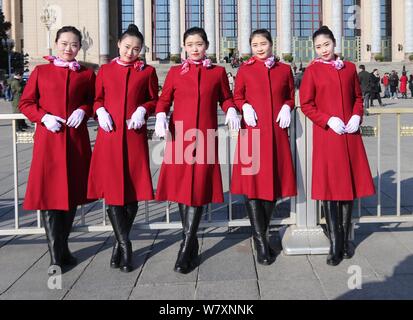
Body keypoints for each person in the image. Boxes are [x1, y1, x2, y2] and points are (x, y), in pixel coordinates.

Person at [154, 27, 240, 274]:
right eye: (190, 44)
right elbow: (164, 100)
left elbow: (225, 98)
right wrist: (160, 115)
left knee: (199, 188)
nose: (195, 48)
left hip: (204, 137)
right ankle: (189, 243)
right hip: (180, 137)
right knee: (183, 189)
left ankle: (186, 246)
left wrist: (231, 108)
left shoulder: (218, 73)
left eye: (199, 44)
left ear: (207, 45)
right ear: (184, 46)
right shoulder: (174, 73)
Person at [18, 26, 96, 273]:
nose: (68, 49)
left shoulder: (86, 74)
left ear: (79, 46)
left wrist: (83, 109)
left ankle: (62, 249)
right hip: (49, 141)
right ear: (55, 43)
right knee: (50, 196)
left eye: (73, 44)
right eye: (64, 43)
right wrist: (42, 117)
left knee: (71, 194)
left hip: (75, 141)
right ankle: (56, 254)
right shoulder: (41, 71)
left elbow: (94, 101)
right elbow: (26, 103)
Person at [300, 26, 375, 267]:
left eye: (327, 45)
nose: (323, 50)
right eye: (318, 46)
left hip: (350, 135)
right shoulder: (312, 71)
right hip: (328, 136)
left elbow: (357, 97)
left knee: (348, 188)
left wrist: (356, 116)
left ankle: (343, 239)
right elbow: (307, 104)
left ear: (335, 43)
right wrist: (327, 119)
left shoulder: (350, 68)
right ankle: (335, 241)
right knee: (331, 189)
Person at [87, 24, 158, 273]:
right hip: (110, 136)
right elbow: (96, 99)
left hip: (133, 136)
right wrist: (100, 110)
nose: (130, 52)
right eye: (127, 47)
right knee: (114, 191)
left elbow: (154, 99)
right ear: (118, 44)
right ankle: (125, 244)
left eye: (136, 49)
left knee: (133, 190)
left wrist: (143, 109)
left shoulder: (147, 72)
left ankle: (119, 243)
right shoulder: (105, 70)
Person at [231, 29, 297, 265]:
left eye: (263, 43)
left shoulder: (284, 70)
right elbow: (237, 96)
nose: (259, 48)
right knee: (253, 186)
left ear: (271, 43)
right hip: (253, 133)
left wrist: (287, 106)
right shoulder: (245, 69)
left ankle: (262, 232)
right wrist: (244, 106)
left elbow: (290, 95)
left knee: (272, 186)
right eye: (255, 44)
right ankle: (260, 241)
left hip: (276, 134)